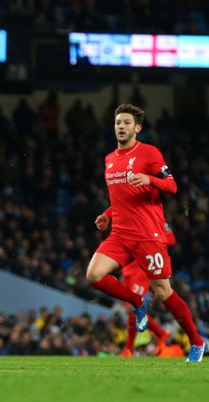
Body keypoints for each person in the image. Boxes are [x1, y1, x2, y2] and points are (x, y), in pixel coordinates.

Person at [86, 103, 205, 363]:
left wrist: (150, 180)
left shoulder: (149, 153)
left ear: (137, 128)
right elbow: (121, 199)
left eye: (127, 122)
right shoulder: (109, 159)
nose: (121, 126)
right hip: (120, 235)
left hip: (147, 236)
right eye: (118, 122)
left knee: (163, 293)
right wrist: (107, 214)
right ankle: (138, 302)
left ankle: (196, 341)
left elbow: (172, 186)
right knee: (94, 275)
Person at [118, 224, 175, 358]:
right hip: (128, 269)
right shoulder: (134, 218)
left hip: (139, 268)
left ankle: (131, 348)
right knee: (130, 310)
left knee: (134, 308)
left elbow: (171, 240)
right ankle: (131, 348)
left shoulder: (155, 221)